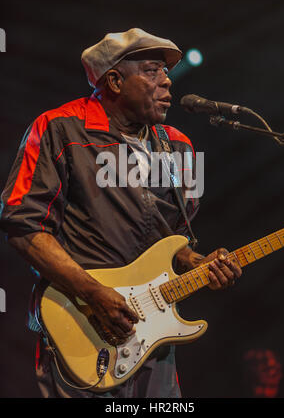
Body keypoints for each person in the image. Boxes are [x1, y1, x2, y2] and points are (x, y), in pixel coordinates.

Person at [0, 28, 242, 398]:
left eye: (166, 72)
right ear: (114, 80)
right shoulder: (60, 128)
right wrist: (94, 294)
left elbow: (172, 236)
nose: (167, 82)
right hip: (82, 331)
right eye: (151, 71)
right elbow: (23, 226)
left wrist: (195, 261)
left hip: (154, 334)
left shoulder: (180, 146)